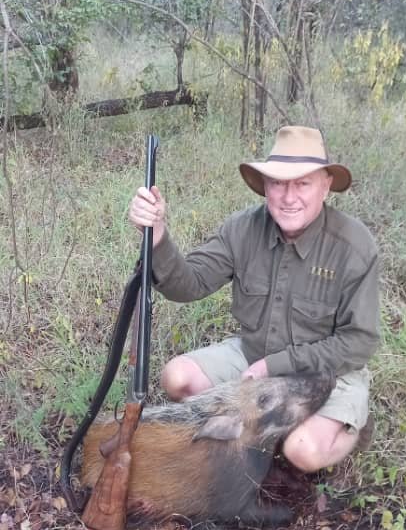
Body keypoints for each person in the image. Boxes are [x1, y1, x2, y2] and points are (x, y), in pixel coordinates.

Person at [128, 125, 380, 472]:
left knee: (303, 452)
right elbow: (189, 283)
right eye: (278, 183)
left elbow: (359, 343)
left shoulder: (355, 245)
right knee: (177, 378)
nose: (289, 197)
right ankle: (263, 437)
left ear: (325, 186)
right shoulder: (242, 229)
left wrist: (275, 367)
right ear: (265, 186)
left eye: (303, 183)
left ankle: (350, 428)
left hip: (328, 373)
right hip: (254, 358)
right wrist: (157, 237)